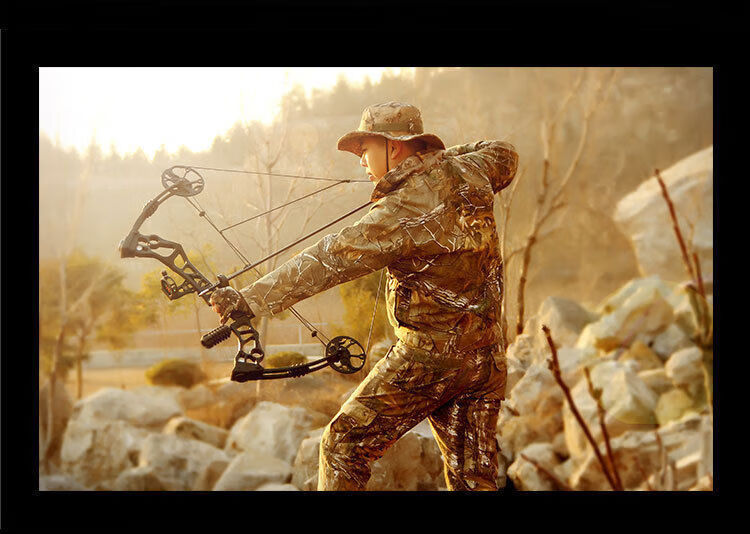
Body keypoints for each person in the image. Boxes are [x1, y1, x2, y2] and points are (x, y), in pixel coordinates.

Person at [210, 101, 519, 491]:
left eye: (365, 149)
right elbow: (505, 151)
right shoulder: (473, 169)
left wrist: (249, 299)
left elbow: (330, 258)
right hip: (485, 358)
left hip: (429, 359)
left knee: (342, 447)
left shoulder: (402, 209)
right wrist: (436, 159)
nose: (360, 160)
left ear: (394, 147)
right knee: (474, 480)